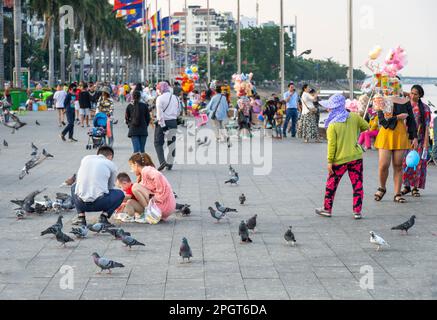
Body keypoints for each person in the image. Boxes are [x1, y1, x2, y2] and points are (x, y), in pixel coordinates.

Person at [315, 94, 370, 219]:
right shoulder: (354, 117)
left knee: (331, 185)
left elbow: (332, 146)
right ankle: (357, 211)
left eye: (330, 107)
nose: (328, 109)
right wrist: (354, 131)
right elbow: (366, 126)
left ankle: (327, 209)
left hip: (339, 160)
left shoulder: (332, 125)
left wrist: (329, 161)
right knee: (357, 184)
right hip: (356, 157)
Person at [373, 93, 418, 204]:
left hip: (400, 134)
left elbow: (411, 120)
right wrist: (398, 117)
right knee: (383, 165)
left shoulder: (405, 101)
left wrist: (414, 137)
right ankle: (382, 188)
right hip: (386, 134)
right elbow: (382, 121)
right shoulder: (381, 99)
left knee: (398, 165)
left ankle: (397, 193)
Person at [71, 146, 125, 226]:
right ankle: (104, 217)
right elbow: (110, 187)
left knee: (74, 187)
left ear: (97, 154)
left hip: (81, 203)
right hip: (100, 203)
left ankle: (81, 217)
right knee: (120, 194)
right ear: (110, 156)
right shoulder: (110, 164)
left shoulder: (85, 159)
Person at [401, 85, 431, 198]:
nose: (413, 95)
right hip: (406, 139)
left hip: (419, 139)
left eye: (415, 94)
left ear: (420, 95)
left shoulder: (425, 108)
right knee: (405, 163)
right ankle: (407, 186)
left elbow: (427, 127)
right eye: (411, 93)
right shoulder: (406, 105)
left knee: (418, 164)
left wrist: (425, 143)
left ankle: (415, 187)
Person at [128, 153, 177, 223]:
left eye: (131, 166)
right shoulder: (142, 174)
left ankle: (149, 214)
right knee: (130, 202)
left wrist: (160, 193)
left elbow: (157, 175)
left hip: (164, 204)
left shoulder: (146, 170)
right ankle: (149, 213)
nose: (131, 169)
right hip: (164, 207)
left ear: (136, 164)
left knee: (135, 187)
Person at [154, 81, 181, 172]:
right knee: (171, 144)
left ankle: (162, 161)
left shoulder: (160, 98)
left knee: (158, 143)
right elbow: (178, 112)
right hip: (173, 122)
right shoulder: (176, 98)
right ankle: (170, 163)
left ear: (161, 88)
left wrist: (163, 126)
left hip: (162, 123)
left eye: (158, 88)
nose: (157, 90)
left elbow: (159, 114)